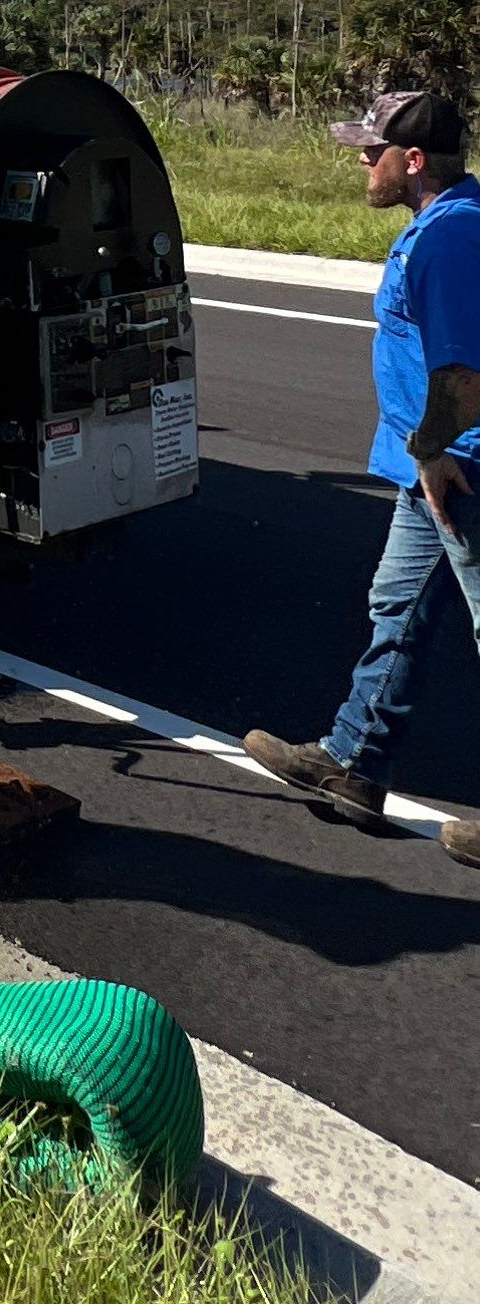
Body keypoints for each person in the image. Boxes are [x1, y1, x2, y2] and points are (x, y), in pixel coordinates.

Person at [243, 88, 480, 866]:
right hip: (433, 464)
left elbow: (464, 371)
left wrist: (437, 453)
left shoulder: (452, 238)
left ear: (412, 162)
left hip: (462, 467)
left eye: (370, 149)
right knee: (398, 610)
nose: (359, 159)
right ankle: (354, 764)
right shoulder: (440, 225)